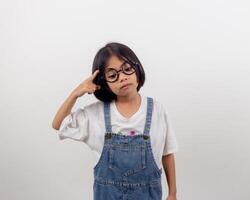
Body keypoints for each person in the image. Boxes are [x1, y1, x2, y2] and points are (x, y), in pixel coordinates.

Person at [52, 42, 179, 200]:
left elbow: (167, 153)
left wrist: (172, 193)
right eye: (113, 75)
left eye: (127, 69)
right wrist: (76, 93)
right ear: (104, 82)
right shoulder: (95, 114)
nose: (123, 77)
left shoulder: (157, 110)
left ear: (137, 70)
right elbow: (58, 124)